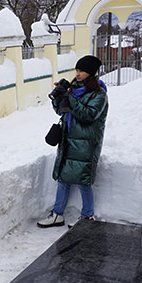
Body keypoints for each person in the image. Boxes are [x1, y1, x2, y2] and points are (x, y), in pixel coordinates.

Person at [37, 55, 108, 228]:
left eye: (82, 70)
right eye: (76, 70)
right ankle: (57, 215)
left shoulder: (99, 94)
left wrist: (69, 98)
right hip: (68, 140)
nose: (77, 74)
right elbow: (63, 112)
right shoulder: (74, 90)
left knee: (83, 181)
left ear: (90, 73)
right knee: (63, 179)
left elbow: (88, 115)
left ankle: (87, 217)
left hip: (86, 144)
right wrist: (59, 96)